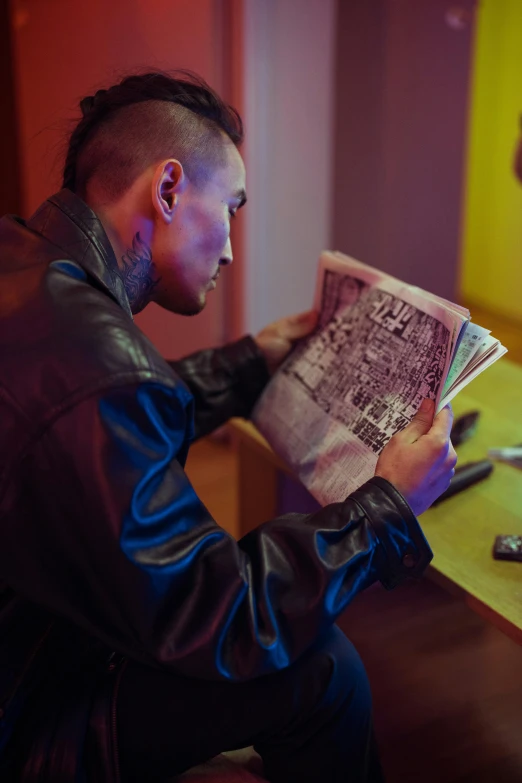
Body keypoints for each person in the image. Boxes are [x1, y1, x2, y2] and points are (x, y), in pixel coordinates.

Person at [0, 71, 456, 782]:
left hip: (30, 641)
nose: (232, 249)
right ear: (170, 188)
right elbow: (219, 616)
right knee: (325, 670)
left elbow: (93, 426)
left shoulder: (28, 272)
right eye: (233, 210)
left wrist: (251, 363)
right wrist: (386, 509)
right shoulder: (99, 363)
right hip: (26, 714)